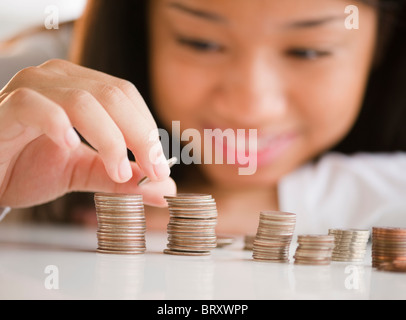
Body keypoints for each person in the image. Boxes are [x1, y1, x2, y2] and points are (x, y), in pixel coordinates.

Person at [0, 0, 405, 235]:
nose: (251, 106)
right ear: (140, 27)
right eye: (202, 42)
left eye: (309, 51)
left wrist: (282, 203)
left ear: (383, 44)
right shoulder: (28, 99)